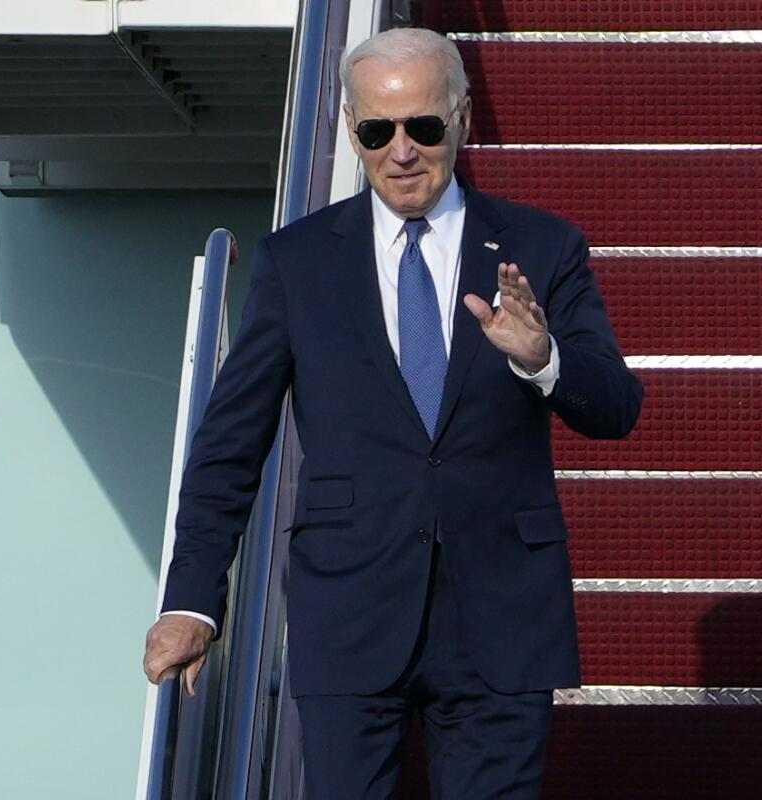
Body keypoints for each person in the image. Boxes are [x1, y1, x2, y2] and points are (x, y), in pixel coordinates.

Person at [143, 27, 643, 799]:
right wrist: (192, 602)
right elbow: (229, 445)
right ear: (351, 129)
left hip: (501, 615)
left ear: (464, 120)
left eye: (424, 127)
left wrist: (541, 359)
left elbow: (616, 408)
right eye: (378, 130)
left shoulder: (542, 248)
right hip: (349, 609)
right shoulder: (297, 262)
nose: (401, 150)